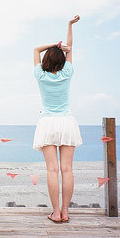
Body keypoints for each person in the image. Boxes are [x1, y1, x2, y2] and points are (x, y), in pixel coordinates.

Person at [33, 15, 83, 223]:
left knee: (52, 170)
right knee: (67, 170)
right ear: (62, 60)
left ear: (46, 60)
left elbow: (36, 49)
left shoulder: (40, 75)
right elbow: (70, 47)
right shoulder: (67, 73)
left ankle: (55, 213)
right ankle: (65, 212)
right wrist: (69, 26)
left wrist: (54, 44)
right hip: (66, 123)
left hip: (47, 123)